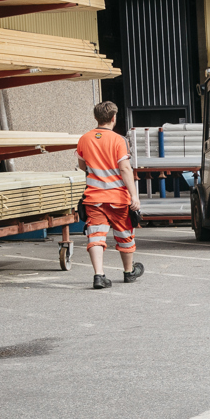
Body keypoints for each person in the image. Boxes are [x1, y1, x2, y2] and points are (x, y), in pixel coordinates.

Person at [76, 101, 144, 289]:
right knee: (125, 235)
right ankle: (128, 272)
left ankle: (99, 275)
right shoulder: (119, 140)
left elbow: (83, 166)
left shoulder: (84, 139)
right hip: (117, 199)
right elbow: (124, 168)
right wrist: (134, 196)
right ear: (113, 118)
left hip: (94, 198)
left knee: (96, 236)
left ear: (96, 118)